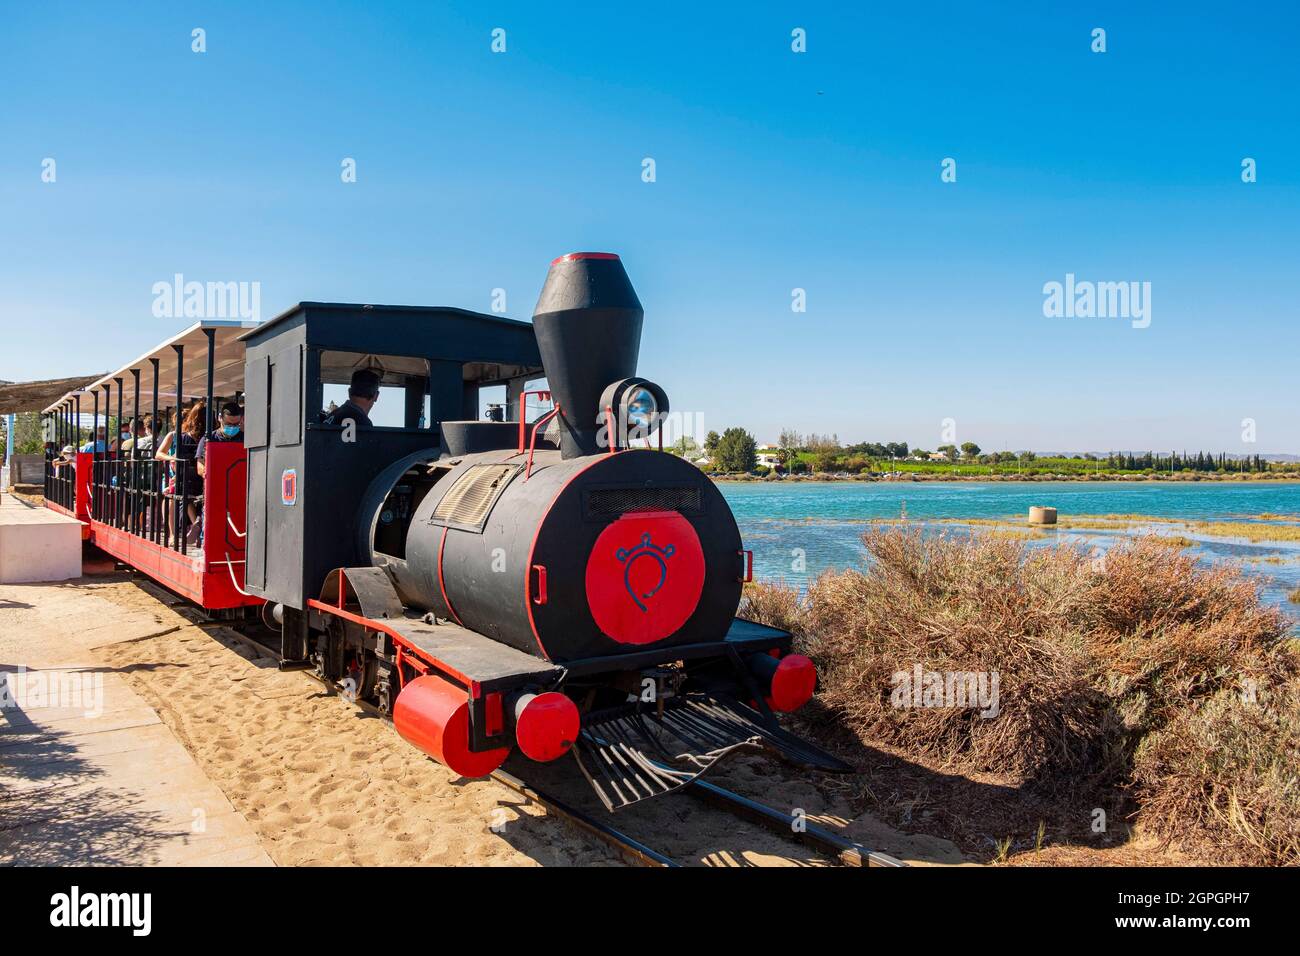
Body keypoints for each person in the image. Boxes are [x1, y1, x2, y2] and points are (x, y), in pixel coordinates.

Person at [154, 401, 206, 545]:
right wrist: (174, 459)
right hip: (172, 472)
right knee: (170, 494)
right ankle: (171, 533)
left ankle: (195, 524)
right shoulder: (173, 435)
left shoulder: (193, 437)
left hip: (185, 473)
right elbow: (159, 454)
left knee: (182, 489)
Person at [196, 402, 244, 477]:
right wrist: (205, 473)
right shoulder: (209, 438)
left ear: (241, 420)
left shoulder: (245, 439)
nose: (232, 427)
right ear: (220, 418)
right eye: (228, 424)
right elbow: (200, 464)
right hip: (216, 479)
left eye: (236, 424)